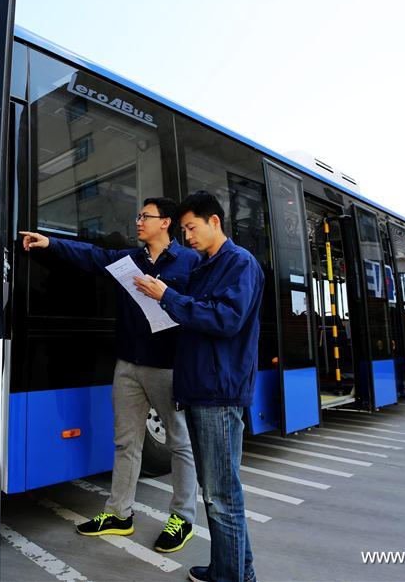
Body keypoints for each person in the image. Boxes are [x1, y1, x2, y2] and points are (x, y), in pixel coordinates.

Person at [20, 198, 199, 553]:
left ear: (165, 223)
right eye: (137, 216)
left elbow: (199, 310)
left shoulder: (190, 262)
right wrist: (51, 243)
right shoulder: (129, 259)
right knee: (125, 442)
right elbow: (91, 255)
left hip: (168, 365)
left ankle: (183, 518)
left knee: (179, 443)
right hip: (129, 364)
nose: (138, 222)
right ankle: (119, 514)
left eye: (145, 217)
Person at [134, 190, 264, 582]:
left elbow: (227, 319)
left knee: (222, 495)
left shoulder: (239, 263)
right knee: (217, 492)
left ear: (215, 222)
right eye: (184, 228)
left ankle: (232, 576)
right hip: (200, 388)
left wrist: (169, 296)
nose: (187, 235)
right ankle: (234, 569)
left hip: (218, 392)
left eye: (191, 227)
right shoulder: (207, 265)